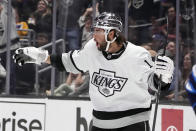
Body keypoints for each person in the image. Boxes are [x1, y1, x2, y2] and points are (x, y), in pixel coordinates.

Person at [13, 12, 174, 131]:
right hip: (99, 123)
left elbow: (155, 86)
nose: (93, 34)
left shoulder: (137, 56)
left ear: (112, 34)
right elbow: (71, 62)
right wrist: (40, 56)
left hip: (132, 124)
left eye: (98, 31)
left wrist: (164, 78)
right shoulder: (92, 48)